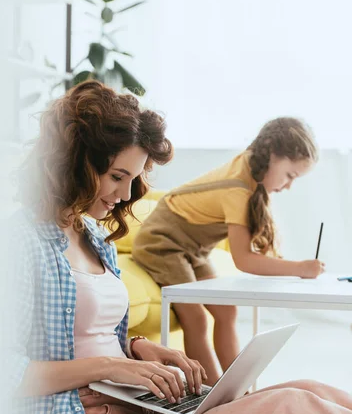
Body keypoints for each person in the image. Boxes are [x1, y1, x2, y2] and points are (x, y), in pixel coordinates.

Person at [6, 81, 352, 414]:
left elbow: (83, 331)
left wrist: (137, 348)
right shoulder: (19, 245)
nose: (127, 194)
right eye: (117, 176)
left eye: (133, 179)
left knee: (307, 389)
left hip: (136, 413)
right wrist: (113, 367)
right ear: (72, 163)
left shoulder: (94, 237)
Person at [133, 118, 325, 384]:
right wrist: (300, 269)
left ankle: (236, 389)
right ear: (272, 155)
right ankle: (213, 394)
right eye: (290, 175)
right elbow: (244, 260)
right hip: (162, 242)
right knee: (196, 319)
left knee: (227, 312)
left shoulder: (252, 168)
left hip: (193, 247)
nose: (289, 185)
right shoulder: (239, 188)